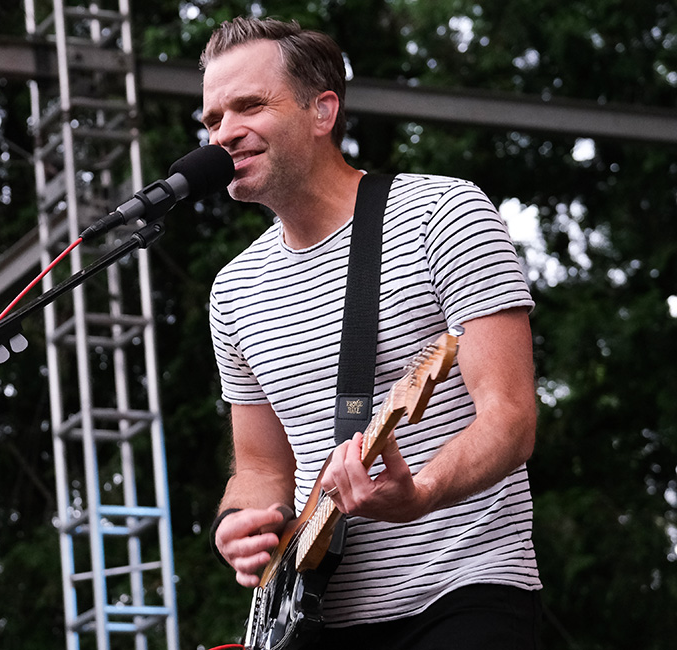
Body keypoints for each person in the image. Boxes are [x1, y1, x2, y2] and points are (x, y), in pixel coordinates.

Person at [201, 16, 542, 649]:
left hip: (463, 593)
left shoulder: (443, 214)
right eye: (213, 119)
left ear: (322, 110)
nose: (224, 134)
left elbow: (512, 417)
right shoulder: (234, 287)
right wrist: (240, 519)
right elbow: (259, 466)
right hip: (314, 622)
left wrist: (426, 491)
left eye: (249, 106)